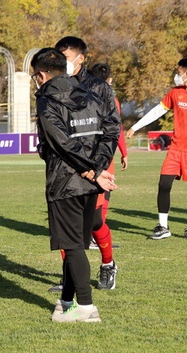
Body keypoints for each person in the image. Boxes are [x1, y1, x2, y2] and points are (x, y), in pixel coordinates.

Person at [31, 48, 119, 323]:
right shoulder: (92, 93)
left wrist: (93, 171)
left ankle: (86, 308)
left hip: (67, 182)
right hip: (89, 183)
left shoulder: (48, 101)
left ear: (41, 75)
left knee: (72, 246)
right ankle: (67, 301)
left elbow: (61, 144)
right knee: (76, 244)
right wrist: (100, 167)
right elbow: (111, 128)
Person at [127, 58, 187, 240]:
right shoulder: (175, 93)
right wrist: (135, 126)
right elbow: (158, 110)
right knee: (164, 184)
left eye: (179, 71)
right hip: (176, 149)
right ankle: (163, 226)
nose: (177, 75)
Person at [86, 63, 127, 290]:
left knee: (94, 221)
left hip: (98, 165)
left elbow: (114, 131)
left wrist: (120, 153)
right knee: (64, 225)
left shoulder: (109, 101)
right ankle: (68, 276)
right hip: (67, 167)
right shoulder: (63, 94)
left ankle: (108, 264)